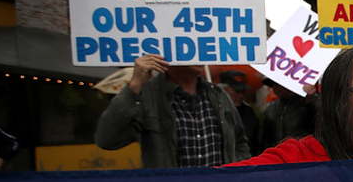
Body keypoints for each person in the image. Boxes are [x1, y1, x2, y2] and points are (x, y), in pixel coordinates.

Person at [95, 55, 249, 168]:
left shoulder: (219, 96)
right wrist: (135, 85)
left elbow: (240, 142)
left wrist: (235, 174)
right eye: (189, 46)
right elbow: (108, 140)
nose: (198, 53)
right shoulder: (147, 95)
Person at [261, 80, 317, 149]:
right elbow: (266, 139)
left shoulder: (307, 102)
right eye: (271, 84)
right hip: (277, 156)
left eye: (277, 83)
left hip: (302, 155)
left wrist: (310, 101)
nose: (274, 87)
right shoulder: (270, 109)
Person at [220, 70, 262, 156]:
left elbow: (255, 143)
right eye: (236, 91)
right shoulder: (215, 110)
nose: (241, 95)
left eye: (243, 91)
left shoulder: (249, 113)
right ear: (223, 89)